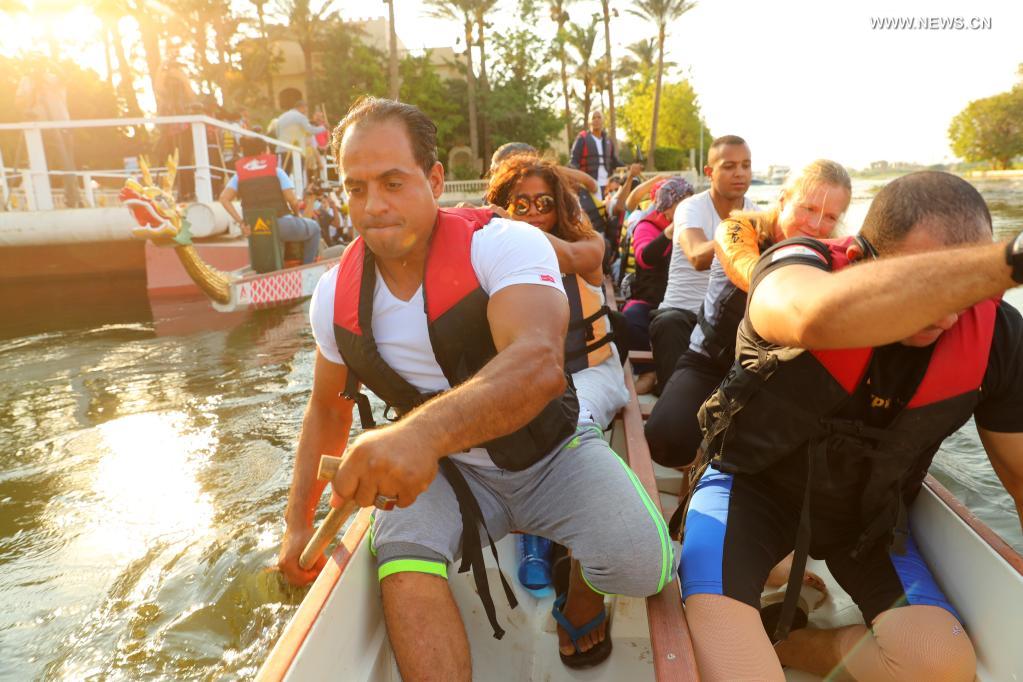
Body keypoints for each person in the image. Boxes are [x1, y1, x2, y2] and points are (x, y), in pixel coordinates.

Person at [277, 98, 676, 678]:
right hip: (445, 473)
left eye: (392, 182)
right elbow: (324, 412)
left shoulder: (505, 244)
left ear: (434, 180)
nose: (374, 206)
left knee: (644, 565)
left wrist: (414, 435)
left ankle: (583, 595)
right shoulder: (332, 296)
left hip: (550, 452)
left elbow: (538, 364)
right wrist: (295, 524)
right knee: (403, 563)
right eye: (355, 188)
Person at [681, 170, 1023, 680]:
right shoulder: (796, 268)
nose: (945, 312)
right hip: (754, 492)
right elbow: (814, 316)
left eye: (960, 289)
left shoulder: (998, 337)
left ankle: (795, 645)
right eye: (923, 282)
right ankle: (769, 580)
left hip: (866, 515)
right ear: (862, 257)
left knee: (941, 664)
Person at [646, 159, 850, 467]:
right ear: (783, 200)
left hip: (774, 376)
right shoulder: (737, 227)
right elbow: (747, 269)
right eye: (807, 208)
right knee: (665, 439)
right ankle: (700, 461)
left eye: (830, 217)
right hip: (710, 361)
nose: (816, 225)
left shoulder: (836, 253)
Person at [649, 136, 755, 391]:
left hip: (724, 324)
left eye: (746, 165)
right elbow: (697, 255)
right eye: (729, 166)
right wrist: (738, 238)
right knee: (668, 323)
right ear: (709, 172)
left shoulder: (756, 213)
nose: (739, 173)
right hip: (681, 317)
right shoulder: (690, 207)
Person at [622, 177, 695, 393]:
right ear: (666, 206)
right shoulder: (647, 225)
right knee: (631, 317)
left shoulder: (698, 225)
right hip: (651, 299)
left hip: (688, 300)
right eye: (682, 204)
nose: (688, 210)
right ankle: (648, 371)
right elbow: (645, 257)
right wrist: (671, 232)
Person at [218, 136, 321, 264]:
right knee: (315, 228)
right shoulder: (277, 172)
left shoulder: (239, 176)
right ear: (263, 152)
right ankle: (308, 267)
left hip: (256, 229)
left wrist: (241, 222)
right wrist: (297, 214)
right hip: (281, 225)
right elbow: (293, 201)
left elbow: (223, 199)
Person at [15, 60, 81, 208]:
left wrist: (49, 62)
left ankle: (72, 200)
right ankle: (37, 201)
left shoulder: (53, 78)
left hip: (61, 127)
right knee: (38, 165)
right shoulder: (26, 81)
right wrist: (33, 88)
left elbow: (66, 78)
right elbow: (19, 103)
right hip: (38, 129)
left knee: (67, 164)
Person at [570, 111, 621, 194]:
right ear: (589, 122)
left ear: (603, 121)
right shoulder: (582, 139)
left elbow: (614, 161)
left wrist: (628, 167)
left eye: (599, 117)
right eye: (593, 118)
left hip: (607, 186)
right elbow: (573, 162)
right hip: (589, 185)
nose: (596, 120)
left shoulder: (608, 141)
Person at [274, 98, 326, 177]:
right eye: (306, 109)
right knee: (298, 175)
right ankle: (299, 189)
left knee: (286, 174)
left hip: (282, 149)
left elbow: (277, 133)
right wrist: (323, 128)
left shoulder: (281, 117)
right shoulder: (300, 117)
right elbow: (309, 130)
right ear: (302, 107)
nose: (306, 112)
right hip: (297, 149)